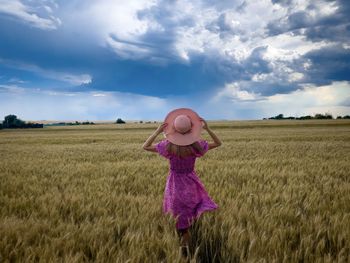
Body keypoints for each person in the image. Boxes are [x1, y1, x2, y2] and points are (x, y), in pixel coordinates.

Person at [142, 108, 222, 258]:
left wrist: (157, 132)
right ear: (192, 129)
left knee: (178, 218)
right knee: (189, 216)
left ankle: (182, 250)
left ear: (174, 129)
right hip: (191, 184)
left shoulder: (167, 147)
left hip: (174, 186)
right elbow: (218, 143)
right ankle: (188, 247)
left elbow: (145, 147)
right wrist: (208, 129)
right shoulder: (197, 146)